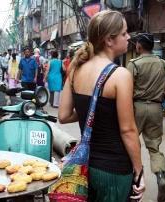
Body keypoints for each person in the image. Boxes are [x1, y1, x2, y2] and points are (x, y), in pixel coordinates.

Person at [58, 10, 145, 201]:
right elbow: (128, 130)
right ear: (109, 40)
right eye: (124, 33)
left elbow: (63, 115)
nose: (128, 37)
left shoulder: (75, 68)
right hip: (114, 171)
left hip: (85, 167)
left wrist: (89, 109)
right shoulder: (120, 75)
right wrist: (139, 171)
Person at [126, 32, 165, 202]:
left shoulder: (134, 64)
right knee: (154, 147)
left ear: (139, 46)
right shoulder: (164, 64)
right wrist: (160, 95)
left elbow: (126, 89)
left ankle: (134, 181)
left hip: (136, 107)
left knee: (130, 143)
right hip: (156, 107)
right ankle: (161, 177)